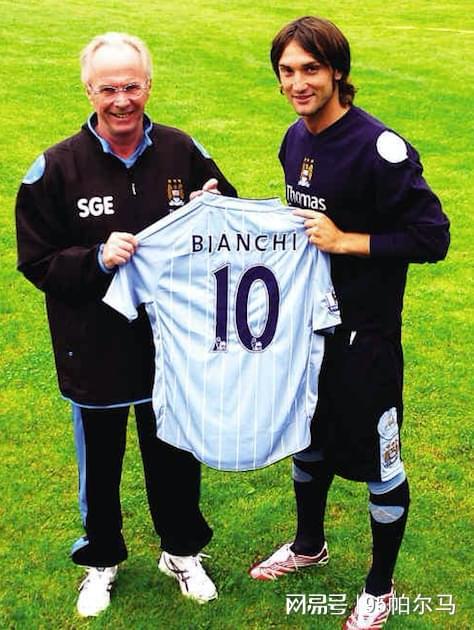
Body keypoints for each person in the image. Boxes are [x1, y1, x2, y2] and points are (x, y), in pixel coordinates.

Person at [15, 32, 236, 617]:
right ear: (88, 90)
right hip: (95, 349)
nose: (121, 100)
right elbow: (36, 261)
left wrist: (213, 204)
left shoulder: (182, 151)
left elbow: (227, 221)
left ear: (149, 86)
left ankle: (181, 551)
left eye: (131, 86)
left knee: (175, 452)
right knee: (101, 462)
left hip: (174, 345)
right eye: (108, 88)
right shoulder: (55, 168)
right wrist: (95, 258)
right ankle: (102, 559)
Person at [248, 16, 450, 630]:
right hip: (309, 332)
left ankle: (379, 588)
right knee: (307, 441)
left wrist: (347, 241)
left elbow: (433, 236)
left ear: (338, 70)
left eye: (311, 69)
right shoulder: (294, 139)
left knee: (381, 461)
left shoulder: (380, 148)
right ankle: (309, 545)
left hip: (367, 339)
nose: (298, 83)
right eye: (287, 70)